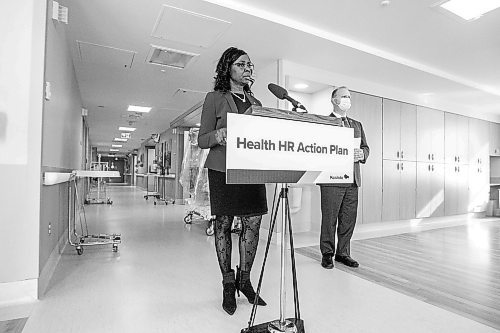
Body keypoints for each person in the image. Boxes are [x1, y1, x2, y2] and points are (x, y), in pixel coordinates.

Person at [198, 47, 267, 315]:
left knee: (253, 224)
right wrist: (219, 135)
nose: (248, 68)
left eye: (250, 64)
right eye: (241, 64)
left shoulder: (258, 104)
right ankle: (228, 283)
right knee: (224, 224)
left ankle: (245, 280)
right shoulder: (214, 98)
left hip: (252, 171)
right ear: (228, 68)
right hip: (223, 170)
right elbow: (203, 138)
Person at [319, 86, 369, 269]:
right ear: (334, 100)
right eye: (344, 96)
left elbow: (366, 148)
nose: (347, 99)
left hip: (352, 180)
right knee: (329, 219)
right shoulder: (324, 122)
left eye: (349, 96)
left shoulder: (357, 125)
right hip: (332, 179)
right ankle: (327, 253)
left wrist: (362, 154)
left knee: (348, 219)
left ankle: (343, 253)